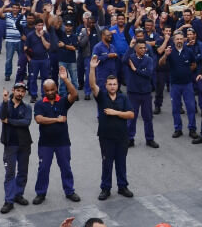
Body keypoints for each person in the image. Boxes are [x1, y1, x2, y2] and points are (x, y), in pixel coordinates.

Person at [88, 55, 134, 201]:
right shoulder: (101, 96)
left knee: (121, 162)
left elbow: (131, 114)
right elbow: (92, 85)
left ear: (118, 85)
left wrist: (116, 113)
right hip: (106, 137)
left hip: (121, 137)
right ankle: (105, 188)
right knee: (107, 163)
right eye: (110, 84)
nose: (112, 86)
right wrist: (92, 68)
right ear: (106, 85)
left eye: (114, 84)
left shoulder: (123, 98)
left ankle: (122, 186)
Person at [33, 69, 79, 204]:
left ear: (56, 88)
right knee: (43, 169)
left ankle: (69, 191)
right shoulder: (39, 104)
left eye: (52, 89)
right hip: (45, 144)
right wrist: (57, 120)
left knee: (66, 167)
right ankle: (40, 193)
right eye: (47, 90)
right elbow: (39, 119)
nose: (50, 92)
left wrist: (65, 79)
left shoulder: (63, 101)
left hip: (63, 142)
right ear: (44, 91)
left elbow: (74, 94)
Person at [0, 82, 32, 214]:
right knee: (10, 173)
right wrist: (5, 102)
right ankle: (9, 201)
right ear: (13, 90)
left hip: (24, 144)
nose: (20, 93)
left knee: (23, 171)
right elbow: (2, 116)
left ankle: (18, 194)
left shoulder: (27, 107)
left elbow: (26, 122)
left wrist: (10, 121)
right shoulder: (5, 104)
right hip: (10, 144)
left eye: (22, 91)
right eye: (18, 90)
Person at [160, 28, 199, 139]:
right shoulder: (170, 51)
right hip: (175, 85)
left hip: (187, 84)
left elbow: (194, 64)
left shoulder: (189, 51)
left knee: (190, 108)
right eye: (177, 39)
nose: (179, 40)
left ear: (184, 40)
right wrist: (166, 55)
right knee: (175, 108)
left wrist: (185, 72)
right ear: (173, 40)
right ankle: (178, 129)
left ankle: (192, 129)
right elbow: (161, 63)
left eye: (181, 38)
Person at [124, 40, 158, 148]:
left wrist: (135, 69)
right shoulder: (131, 57)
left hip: (146, 93)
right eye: (141, 48)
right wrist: (130, 47)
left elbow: (148, 73)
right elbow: (124, 60)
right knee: (131, 118)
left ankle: (150, 139)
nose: (144, 49)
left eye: (145, 48)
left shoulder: (149, 60)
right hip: (133, 93)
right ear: (136, 49)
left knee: (148, 117)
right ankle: (130, 139)